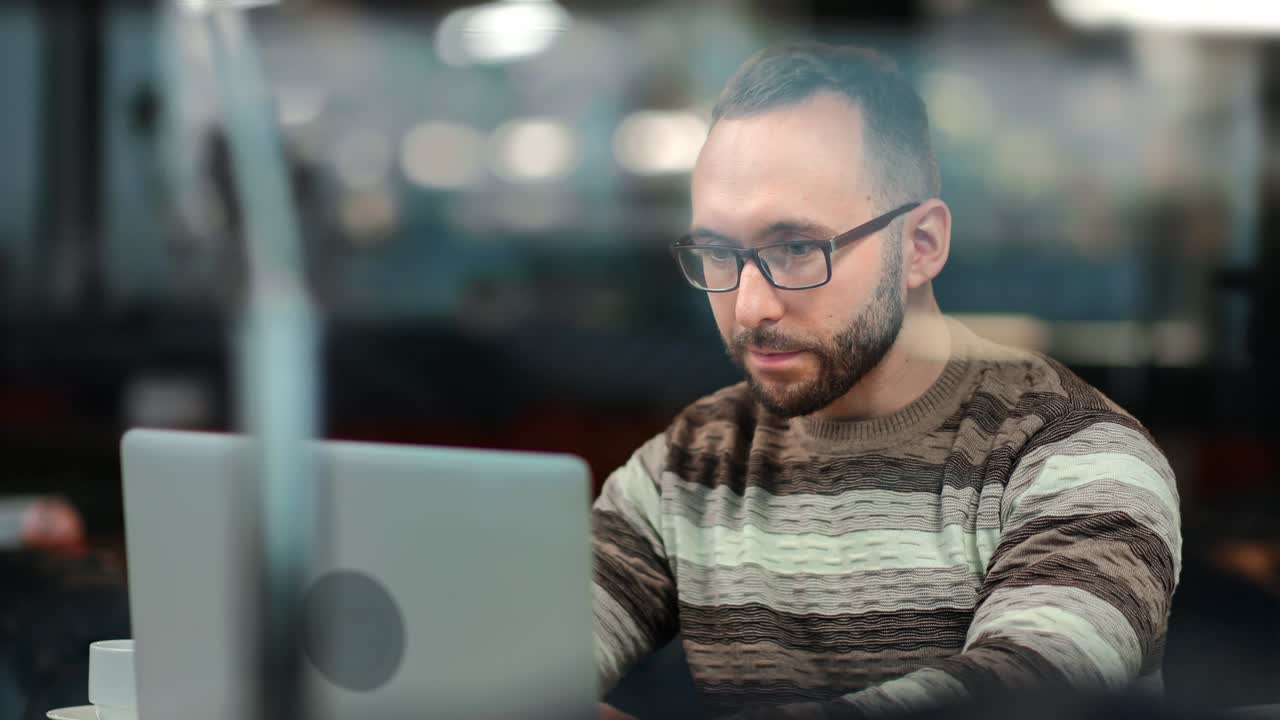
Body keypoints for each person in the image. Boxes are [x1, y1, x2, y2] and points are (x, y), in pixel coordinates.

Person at [592, 43, 1181, 719]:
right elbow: (517, 656)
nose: (750, 306)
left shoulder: (1077, 454)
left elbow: (1022, 693)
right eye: (719, 254)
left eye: (795, 248)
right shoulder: (691, 463)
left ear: (921, 245)